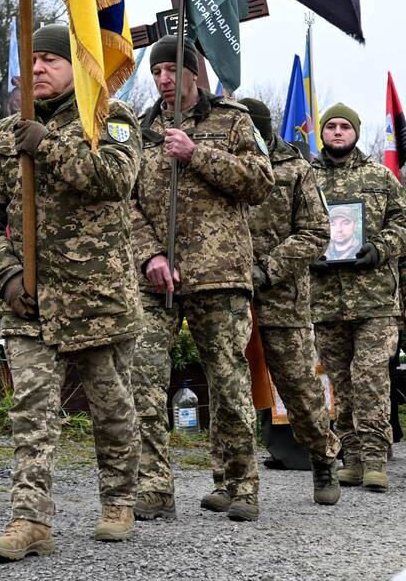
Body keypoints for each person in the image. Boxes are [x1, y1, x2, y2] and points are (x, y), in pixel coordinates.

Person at [0, 23, 143, 559]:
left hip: (99, 300)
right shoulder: (5, 132)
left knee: (111, 407)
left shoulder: (110, 118)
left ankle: (118, 501)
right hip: (31, 301)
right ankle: (30, 521)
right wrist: (5, 274)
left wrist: (49, 147)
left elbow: (116, 180)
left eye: (51, 59)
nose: (38, 69)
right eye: (34, 60)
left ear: (77, 67)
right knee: (32, 412)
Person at [129, 35, 273, 523]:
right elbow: (123, 200)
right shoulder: (140, 128)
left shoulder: (232, 119)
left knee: (228, 381)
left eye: (172, 71)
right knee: (144, 378)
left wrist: (197, 155)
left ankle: (240, 484)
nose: (164, 80)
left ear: (194, 73)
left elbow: (260, 183)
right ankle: (153, 488)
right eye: (156, 73)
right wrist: (149, 253)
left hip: (219, 274)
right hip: (156, 279)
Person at [207, 97, 338, 508]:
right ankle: (228, 478)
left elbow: (316, 232)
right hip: (227, 294)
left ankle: (323, 460)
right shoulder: (220, 168)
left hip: (282, 300)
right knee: (229, 388)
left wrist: (270, 268)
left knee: (299, 388)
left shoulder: (296, 169)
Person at [310, 103, 406, 492]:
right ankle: (349, 457)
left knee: (370, 378)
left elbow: (402, 222)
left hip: (375, 300)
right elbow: (292, 224)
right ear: (322, 133)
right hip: (327, 299)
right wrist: (309, 252)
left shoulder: (380, 177)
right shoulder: (306, 177)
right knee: (341, 383)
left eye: (344, 127)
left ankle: (374, 459)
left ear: (355, 133)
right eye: (330, 126)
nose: (336, 132)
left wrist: (380, 248)